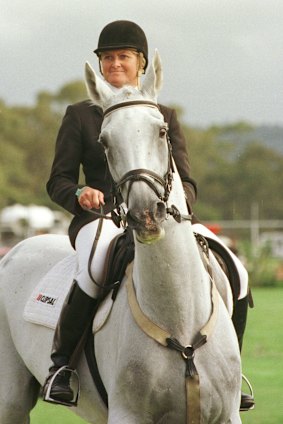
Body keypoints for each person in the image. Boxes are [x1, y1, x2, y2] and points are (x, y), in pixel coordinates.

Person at [42, 20, 254, 411]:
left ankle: (231, 371)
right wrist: (79, 194)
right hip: (103, 220)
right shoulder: (80, 114)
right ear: (100, 65)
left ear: (141, 64)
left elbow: (187, 182)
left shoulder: (164, 114)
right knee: (94, 270)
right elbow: (58, 180)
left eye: (123, 56)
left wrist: (178, 209)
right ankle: (62, 368)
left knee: (235, 271)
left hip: (166, 217)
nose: (115, 64)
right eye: (107, 58)